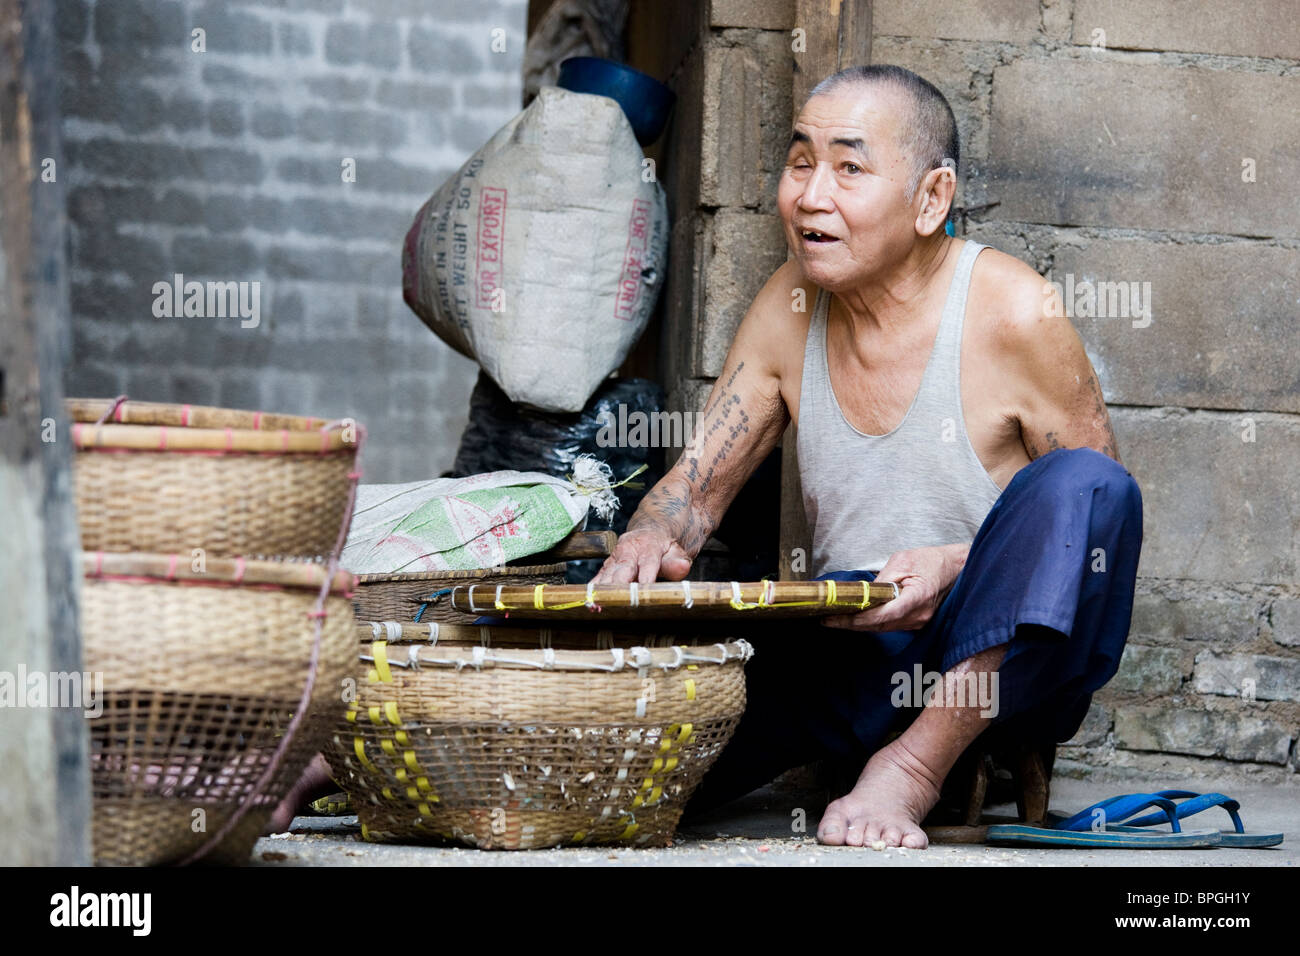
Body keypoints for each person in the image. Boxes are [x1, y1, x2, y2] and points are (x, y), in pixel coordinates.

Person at [591, 64, 1142, 849]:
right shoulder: (788, 305)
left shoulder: (1015, 311)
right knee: (621, 776)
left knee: (1089, 482)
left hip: (994, 661)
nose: (811, 195)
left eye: (850, 168)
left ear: (931, 199)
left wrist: (955, 565)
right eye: (801, 161)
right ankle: (369, 752)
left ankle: (911, 771)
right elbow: (693, 492)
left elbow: (1096, 523)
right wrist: (648, 537)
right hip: (852, 653)